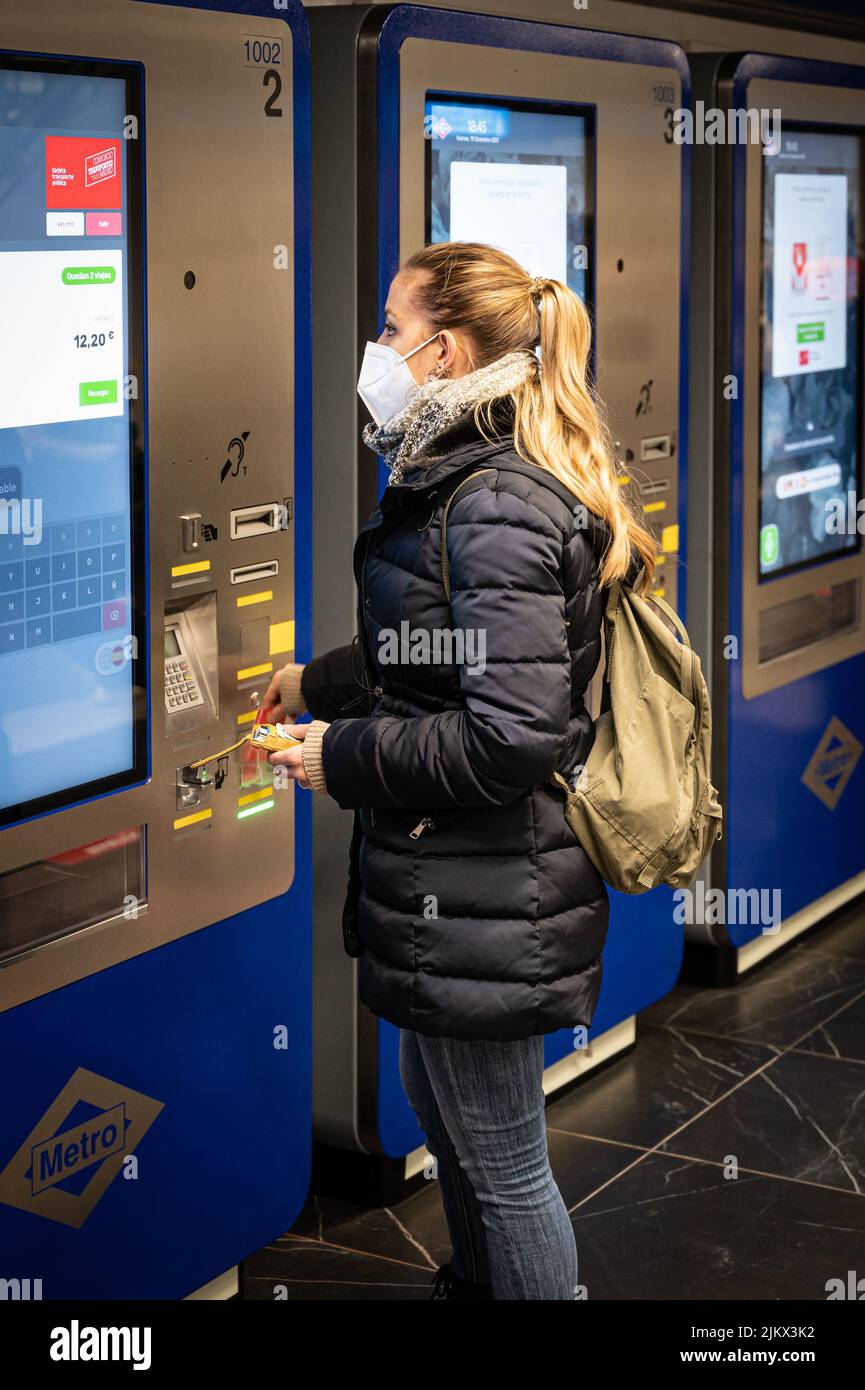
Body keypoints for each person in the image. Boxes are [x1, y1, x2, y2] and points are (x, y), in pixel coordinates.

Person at [263, 241, 657, 1301]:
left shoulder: (491, 500)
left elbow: (512, 733)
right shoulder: (460, 478)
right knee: (454, 1125)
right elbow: (441, 645)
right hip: (466, 890)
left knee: (502, 1162)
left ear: (443, 352)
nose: (376, 349)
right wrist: (320, 683)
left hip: (493, 888)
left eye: (390, 329)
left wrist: (337, 756)